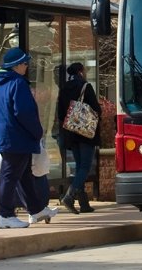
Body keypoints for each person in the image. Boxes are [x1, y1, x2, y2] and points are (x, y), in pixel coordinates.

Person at [0, 47, 56, 228]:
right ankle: (5, 215)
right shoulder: (18, 83)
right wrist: (37, 132)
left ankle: (36, 209)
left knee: (23, 175)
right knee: (9, 176)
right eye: (25, 63)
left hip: (3, 135)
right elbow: (24, 112)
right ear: (17, 65)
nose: (27, 66)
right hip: (17, 138)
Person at [54, 62, 100, 214]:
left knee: (80, 166)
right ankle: (70, 195)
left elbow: (61, 114)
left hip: (71, 134)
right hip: (85, 134)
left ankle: (84, 204)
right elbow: (97, 109)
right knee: (85, 167)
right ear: (81, 71)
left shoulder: (64, 88)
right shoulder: (86, 86)